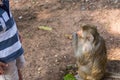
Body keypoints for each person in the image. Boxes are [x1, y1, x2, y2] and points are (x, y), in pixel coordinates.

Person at [0, 0, 25, 80]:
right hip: (4, 60)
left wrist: (16, 31)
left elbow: (8, 17)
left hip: (14, 47)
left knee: (17, 70)